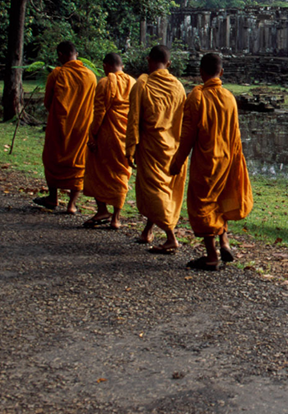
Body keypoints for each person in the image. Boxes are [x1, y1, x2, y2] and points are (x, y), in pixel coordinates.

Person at [170, 53, 253, 272]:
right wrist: (237, 161)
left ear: (201, 72)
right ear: (221, 73)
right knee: (220, 200)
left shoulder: (197, 98)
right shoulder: (229, 97)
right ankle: (224, 242)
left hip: (207, 161)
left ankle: (211, 256)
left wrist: (177, 161)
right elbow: (235, 134)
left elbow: (187, 135)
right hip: (227, 159)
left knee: (203, 205)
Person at [126, 45, 187, 254]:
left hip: (151, 146)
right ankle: (147, 231)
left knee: (155, 190)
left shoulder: (142, 84)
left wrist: (130, 148)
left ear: (148, 60)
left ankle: (171, 237)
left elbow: (133, 119)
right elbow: (182, 120)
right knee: (161, 189)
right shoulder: (179, 87)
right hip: (172, 146)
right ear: (169, 64)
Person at [35, 41, 97, 214]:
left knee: (52, 159)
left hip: (59, 125)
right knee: (78, 163)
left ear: (61, 54)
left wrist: (59, 114)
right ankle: (72, 204)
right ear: (76, 54)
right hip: (82, 126)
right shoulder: (90, 76)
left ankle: (53, 197)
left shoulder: (57, 74)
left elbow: (48, 101)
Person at [81, 53, 136, 230]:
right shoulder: (134, 84)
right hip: (125, 137)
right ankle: (116, 218)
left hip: (106, 136)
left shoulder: (105, 83)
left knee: (99, 172)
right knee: (121, 175)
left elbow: (99, 113)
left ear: (105, 66)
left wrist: (93, 134)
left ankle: (102, 209)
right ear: (122, 65)